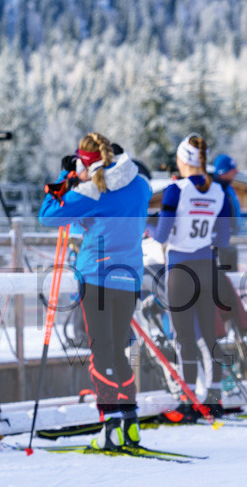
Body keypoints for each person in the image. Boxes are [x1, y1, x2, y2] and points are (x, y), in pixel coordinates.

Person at [38, 132, 150, 449]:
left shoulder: (91, 192)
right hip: (129, 276)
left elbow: (47, 215)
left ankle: (110, 425)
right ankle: (130, 423)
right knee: (117, 349)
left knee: (101, 352)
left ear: (87, 163)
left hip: (97, 276)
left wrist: (64, 178)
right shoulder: (140, 185)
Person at [149, 134, 232, 420]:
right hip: (206, 266)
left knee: (184, 337)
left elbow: (160, 234)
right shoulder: (219, 190)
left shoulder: (176, 189)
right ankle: (215, 397)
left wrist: (147, 226)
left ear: (183, 160)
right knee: (210, 335)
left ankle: (188, 401)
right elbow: (223, 237)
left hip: (181, 268)